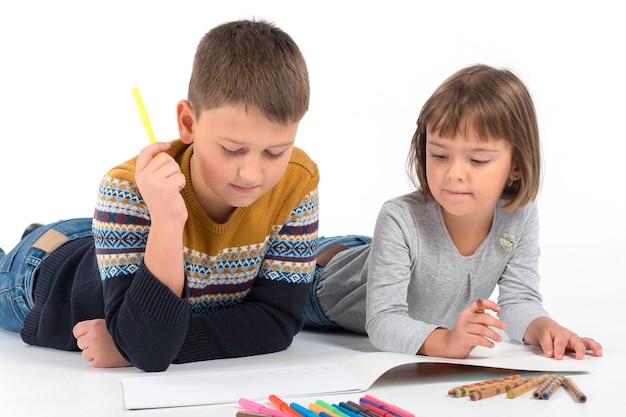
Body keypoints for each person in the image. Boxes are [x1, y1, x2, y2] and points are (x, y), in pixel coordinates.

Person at [0, 19, 319, 372]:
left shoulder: (296, 181)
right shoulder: (126, 187)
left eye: (275, 152)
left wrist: (144, 343)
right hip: (43, 274)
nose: (251, 174)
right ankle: (31, 241)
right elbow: (150, 350)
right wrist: (167, 221)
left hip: (103, 242)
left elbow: (277, 321)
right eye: (232, 149)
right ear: (188, 122)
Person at [304, 64, 603, 361]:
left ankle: (344, 252)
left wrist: (546, 329)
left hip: (376, 254)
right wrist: (446, 341)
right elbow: (383, 322)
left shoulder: (519, 214)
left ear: (516, 165)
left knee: (372, 255)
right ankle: (328, 255)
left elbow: (518, 301)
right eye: (440, 155)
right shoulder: (398, 217)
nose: (454, 173)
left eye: (478, 160)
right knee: (277, 275)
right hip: (319, 288)